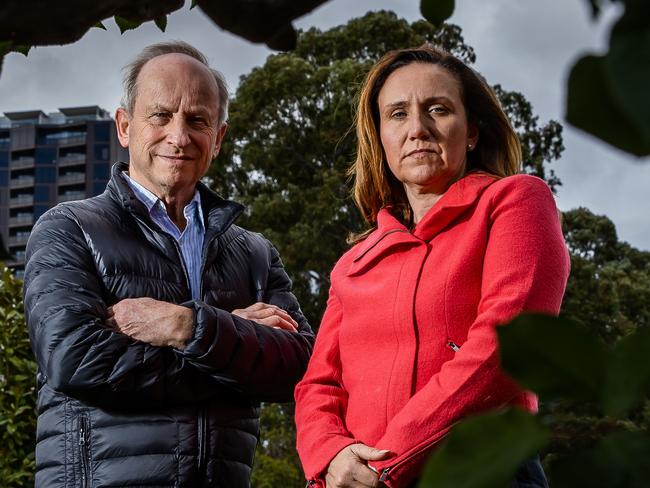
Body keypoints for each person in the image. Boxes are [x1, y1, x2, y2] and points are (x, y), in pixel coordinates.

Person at [23, 41, 314, 488]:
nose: (178, 137)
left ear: (218, 138)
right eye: (160, 115)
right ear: (125, 126)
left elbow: (298, 367)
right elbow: (74, 360)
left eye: (197, 120)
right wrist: (234, 347)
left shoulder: (255, 254)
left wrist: (187, 327)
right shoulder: (68, 229)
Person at [294, 45, 570, 488]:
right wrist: (331, 456)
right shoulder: (354, 262)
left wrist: (385, 465)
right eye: (397, 114)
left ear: (473, 132)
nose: (417, 129)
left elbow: (505, 348)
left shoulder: (514, 201)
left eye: (437, 109)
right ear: (380, 137)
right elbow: (319, 385)